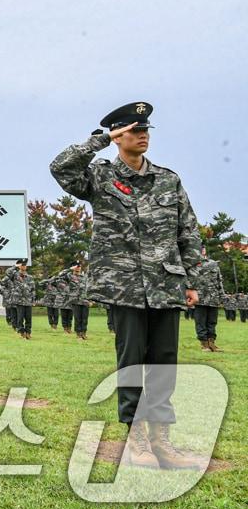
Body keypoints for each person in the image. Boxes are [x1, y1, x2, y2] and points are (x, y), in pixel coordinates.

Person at [51, 101, 202, 469]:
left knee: (164, 363)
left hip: (166, 283)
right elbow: (60, 168)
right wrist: (100, 141)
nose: (143, 136)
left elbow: (188, 232)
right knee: (131, 360)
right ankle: (136, 440)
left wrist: (193, 280)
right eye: (135, 131)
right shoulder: (100, 177)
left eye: (146, 130)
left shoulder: (168, 179)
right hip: (124, 285)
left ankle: (162, 440)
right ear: (120, 136)